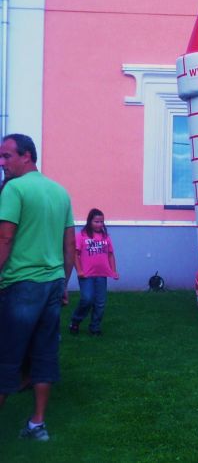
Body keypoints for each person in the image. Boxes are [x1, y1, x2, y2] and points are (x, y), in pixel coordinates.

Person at [0, 134, 76, 442]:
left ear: (27, 156)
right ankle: (37, 424)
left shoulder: (14, 188)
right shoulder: (60, 192)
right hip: (52, 284)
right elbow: (69, 245)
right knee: (44, 355)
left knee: (7, 356)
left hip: (21, 284)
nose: (2, 163)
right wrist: (63, 284)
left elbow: (5, 238)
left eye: (6, 156)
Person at [70, 208, 119, 335]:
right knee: (87, 299)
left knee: (100, 303)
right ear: (90, 221)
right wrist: (79, 270)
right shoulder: (81, 236)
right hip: (86, 275)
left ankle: (95, 327)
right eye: (96, 221)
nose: (99, 224)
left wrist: (114, 271)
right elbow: (75, 254)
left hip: (102, 274)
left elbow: (110, 254)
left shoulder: (105, 237)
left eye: (101, 222)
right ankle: (75, 321)